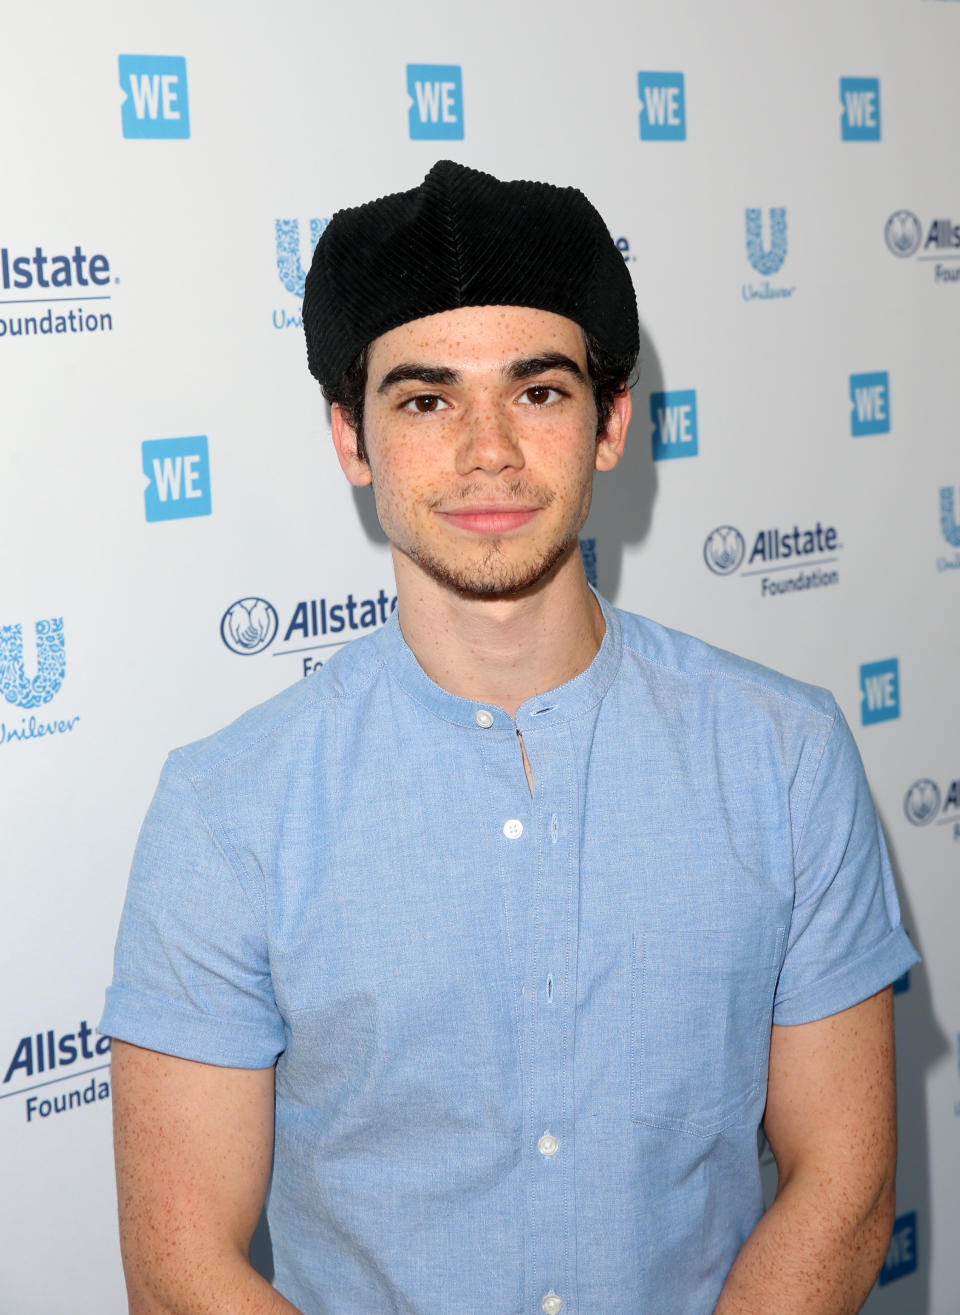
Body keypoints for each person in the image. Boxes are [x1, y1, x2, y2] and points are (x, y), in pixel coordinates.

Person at [101, 160, 918, 1315]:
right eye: (425, 399)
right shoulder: (228, 808)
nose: (487, 449)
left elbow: (843, 1183)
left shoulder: (784, 755)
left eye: (537, 392)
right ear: (351, 437)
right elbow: (184, 1270)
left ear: (611, 422)